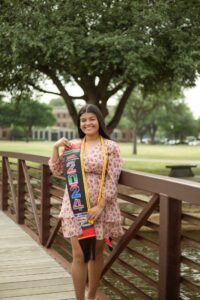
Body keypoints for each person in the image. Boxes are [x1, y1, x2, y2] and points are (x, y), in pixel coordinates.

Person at [48, 104, 123, 300]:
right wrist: (55, 148)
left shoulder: (111, 147)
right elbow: (57, 170)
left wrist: (100, 206)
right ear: (79, 123)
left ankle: (91, 296)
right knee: (79, 255)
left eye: (92, 119)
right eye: (83, 120)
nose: (87, 123)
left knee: (96, 254)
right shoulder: (73, 146)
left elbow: (112, 177)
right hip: (75, 204)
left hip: (100, 206)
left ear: (99, 121)